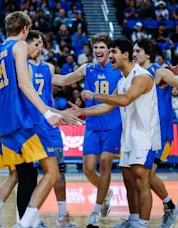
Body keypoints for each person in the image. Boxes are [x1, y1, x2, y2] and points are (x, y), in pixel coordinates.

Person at [0, 11, 72, 228]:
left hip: (4, 126)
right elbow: (24, 83)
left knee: (25, 177)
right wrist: (47, 112)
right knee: (52, 172)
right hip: (22, 120)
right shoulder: (19, 46)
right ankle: (25, 224)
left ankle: (19, 221)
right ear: (25, 29)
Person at [71, 38, 160, 228]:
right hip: (129, 136)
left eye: (113, 51)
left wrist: (94, 95)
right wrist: (83, 112)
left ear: (125, 55)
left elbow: (125, 99)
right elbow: (107, 106)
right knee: (128, 180)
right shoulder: (123, 80)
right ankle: (134, 219)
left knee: (141, 181)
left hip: (144, 136)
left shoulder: (142, 76)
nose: (110, 55)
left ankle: (142, 224)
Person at [131, 38, 178, 227]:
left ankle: (143, 219)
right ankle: (169, 207)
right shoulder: (135, 74)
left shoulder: (160, 71)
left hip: (160, 136)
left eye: (138, 51)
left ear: (148, 54)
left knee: (143, 177)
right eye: (133, 51)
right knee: (142, 176)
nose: (134, 54)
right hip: (142, 134)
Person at [52, 33, 121, 226]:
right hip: (92, 125)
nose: (98, 51)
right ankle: (106, 193)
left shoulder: (118, 68)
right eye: (96, 48)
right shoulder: (87, 68)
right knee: (89, 170)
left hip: (113, 125)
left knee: (106, 164)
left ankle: (95, 212)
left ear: (109, 50)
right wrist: (37, 72)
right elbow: (64, 80)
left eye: (102, 47)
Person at [27, 30, 77, 227]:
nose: (41, 47)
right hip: (31, 124)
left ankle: (62, 215)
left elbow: (63, 80)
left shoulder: (48, 67)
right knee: (31, 174)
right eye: (37, 43)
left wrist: (84, 70)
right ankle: (31, 216)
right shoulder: (22, 67)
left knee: (59, 172)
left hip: (50, 125)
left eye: (42, 43)